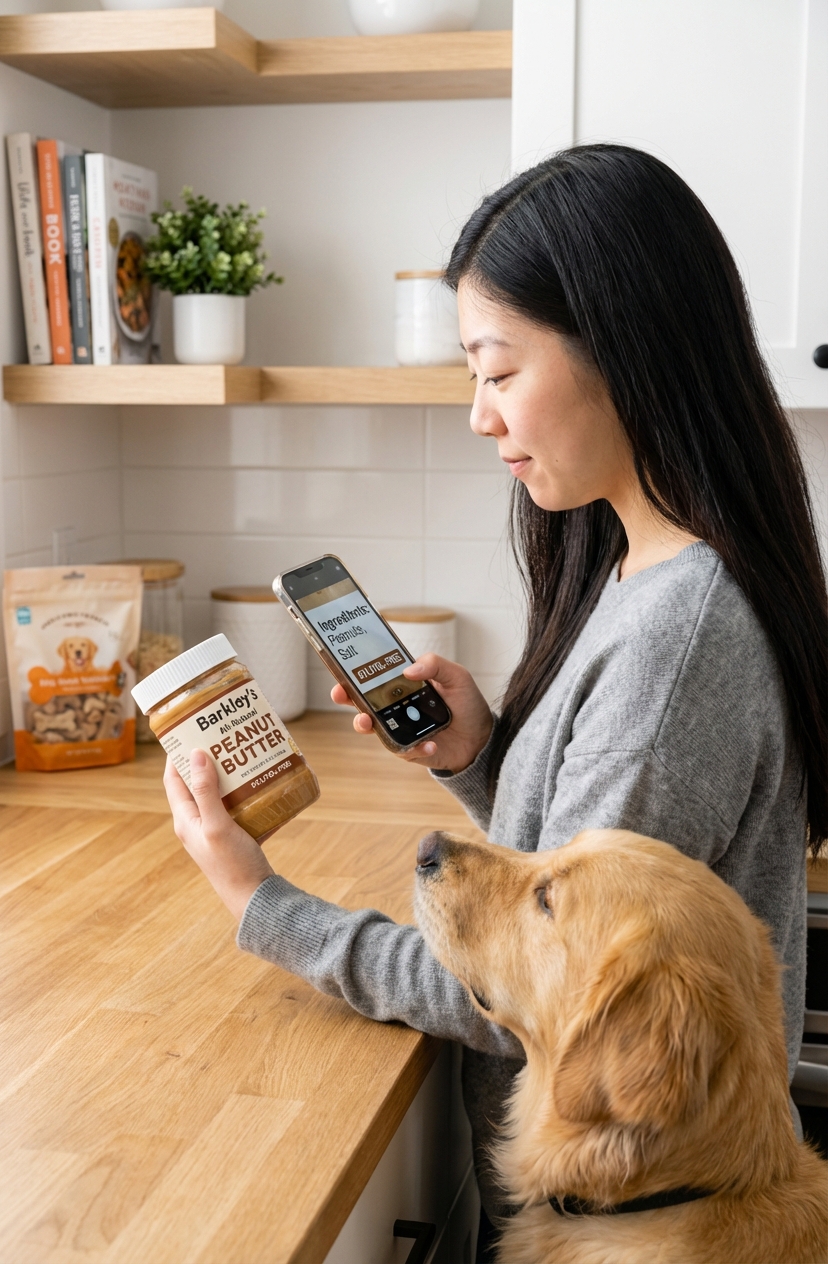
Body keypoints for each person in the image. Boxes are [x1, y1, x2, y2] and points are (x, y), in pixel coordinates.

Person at [163, 144, 828, 1262]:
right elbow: (570, 886)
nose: (478, 413)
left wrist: (259, 900)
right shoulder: (645, 569)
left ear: (622, 349)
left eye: (497, 367)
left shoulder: (677, 638)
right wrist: (480, 756)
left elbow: (515, 995)